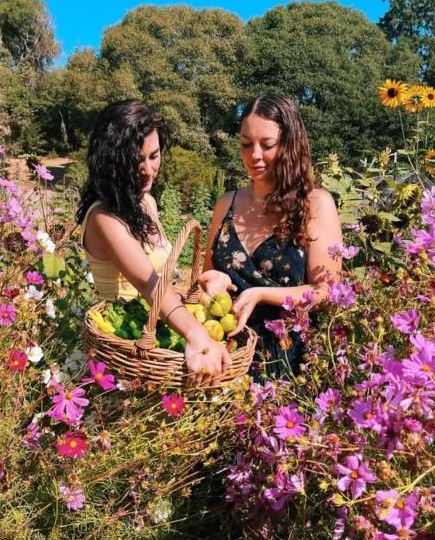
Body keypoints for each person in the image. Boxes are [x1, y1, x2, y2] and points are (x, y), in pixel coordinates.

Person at [76, 99, 231, 387]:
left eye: (154, 155)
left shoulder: (146, 202)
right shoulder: (104, 219)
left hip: (156, 326)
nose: (148, 170)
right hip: (124, 344)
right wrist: (197, 335)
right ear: (112, 162)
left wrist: (201, 286)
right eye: (136, 161)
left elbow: (161, 276)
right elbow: (149, 285)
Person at [199, 92, 342, 379]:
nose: (254, 156)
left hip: (289, 361)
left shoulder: (315, 204)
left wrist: (262, 294)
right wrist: (217, 281)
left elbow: (327, 292)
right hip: (229, 357)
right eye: (245, 144)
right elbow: (206, 277)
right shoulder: (226, 204)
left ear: (290, 145)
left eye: (267, 145)